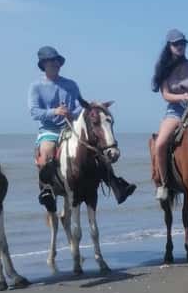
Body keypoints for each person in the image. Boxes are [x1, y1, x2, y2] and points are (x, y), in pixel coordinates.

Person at [29, 46, 135, 209]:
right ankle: (47, 190)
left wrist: (90, 107)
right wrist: (54, 111)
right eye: (51, 61)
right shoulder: (36, 86)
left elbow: (80, 106)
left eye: (57, 61)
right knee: (46, 152)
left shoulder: (71, 84)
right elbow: (34, 111)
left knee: (97, 150)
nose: (55, 64)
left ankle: (116, 185)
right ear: (44, 64)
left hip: (71, 127)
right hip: (49, 130)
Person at [152, 29, 188, 201]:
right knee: (160, 144)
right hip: (175, 112)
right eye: (176, 44)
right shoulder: (163, 69)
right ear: (169, 46)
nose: (180, 46)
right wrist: (182, 96)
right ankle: (164, 184)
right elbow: (166, 95)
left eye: (182, 43)